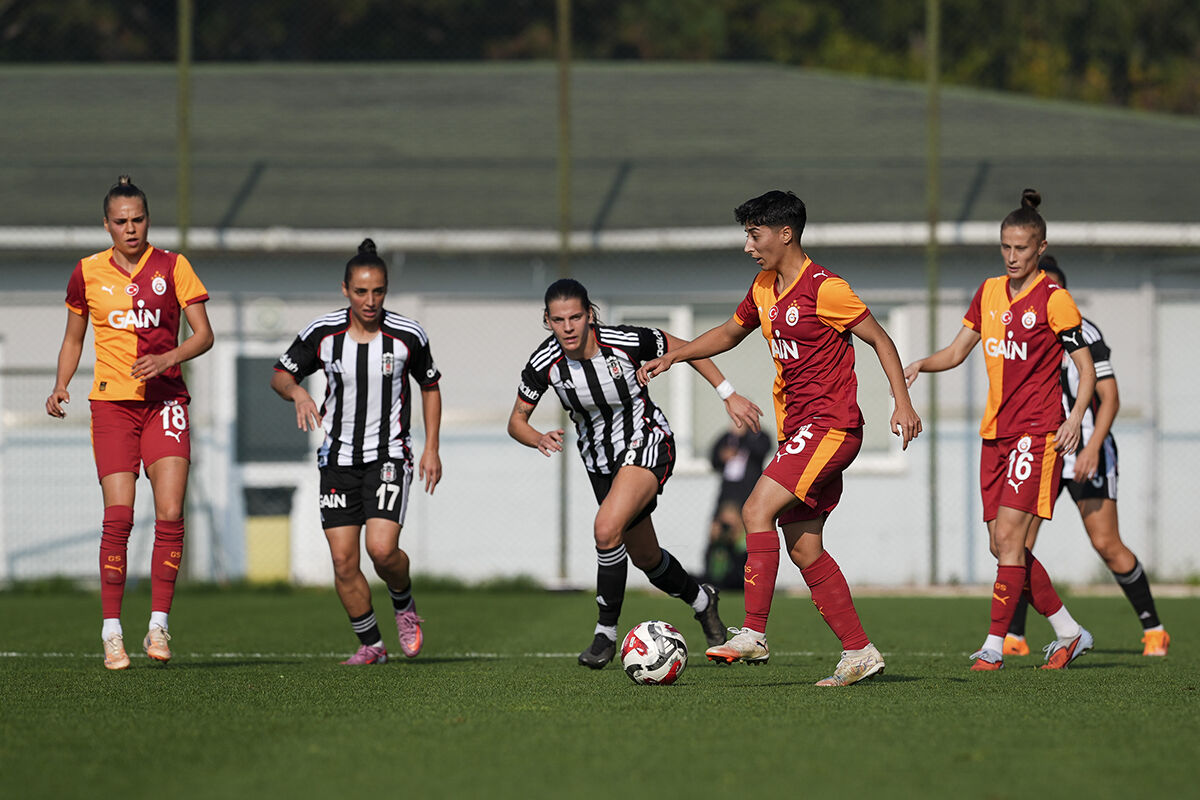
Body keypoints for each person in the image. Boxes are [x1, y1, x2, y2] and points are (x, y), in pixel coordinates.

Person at [639, 190, 921, 687]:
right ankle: (859, 651)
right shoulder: (764, 287)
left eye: (755, 234)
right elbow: (729, 332)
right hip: (802, 431)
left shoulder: (826, 288)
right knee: (804, 546)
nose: (748, 246)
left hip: (831, 427)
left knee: (754, 510)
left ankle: (753, 631)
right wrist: (674, 357)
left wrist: (901, 403)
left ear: (785, 233)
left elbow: (881, 338)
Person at [507, 278, 762, 669]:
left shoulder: (626, 341)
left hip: (648, 442)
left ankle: (604, 635)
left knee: (605, 528)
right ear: (548, 321)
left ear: (590, 314)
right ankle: (702, 601)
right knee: (646, 557)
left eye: (576, 316)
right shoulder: (545, 364)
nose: (569, 327)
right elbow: (516, 421)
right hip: (600, 463)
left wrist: (728, 393)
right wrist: (536, 437)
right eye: (558, 320)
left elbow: (687, 349)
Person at [904, 189, 1096, 671]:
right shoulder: (988, 292)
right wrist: (920, 365)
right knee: (1002, 545)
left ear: (1041, 248)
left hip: (1037, 432)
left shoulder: (1055, 300)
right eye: (1006, 247)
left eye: (1022, 249)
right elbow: (956, 352)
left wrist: (1074, 419)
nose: (1012, 257)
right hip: (994, 434)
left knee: (1011, 537)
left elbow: (1086, 369)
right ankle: (1070, 632)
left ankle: (994, 645)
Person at [45, 175, 214, 670]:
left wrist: (167, 359)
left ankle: (158, 625)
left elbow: (203, 335)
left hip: (166, 403)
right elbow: (74, 338)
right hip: (113, 407)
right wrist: (61, 384)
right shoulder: (86, 273)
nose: (130, 229)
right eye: (120, 222)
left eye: (137, 219)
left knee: (169, 511)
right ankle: (111, 632)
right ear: (106, 225)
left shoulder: (174, 266)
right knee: (118, 517)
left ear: (147, 220)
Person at [271, 239, 441, 665]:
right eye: (362, 292)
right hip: (337, 460)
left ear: (386, 290)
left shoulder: (407, 335)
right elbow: (279, 375)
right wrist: (297, 394)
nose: (371, 301)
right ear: (345, 289)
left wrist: (431, 448)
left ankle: (404, 604)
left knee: (381, 550)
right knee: (344, 561)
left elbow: (430, 386)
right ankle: (372, 645)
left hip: (388, 455)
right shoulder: (322, 333)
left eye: (379, 291)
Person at [1004, 256, 1169, 657]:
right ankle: (1014, 636)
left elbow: (1110, 398)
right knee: (1017, 541)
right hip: (1043, 449)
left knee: (1106, 543)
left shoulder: (1085, 332)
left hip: (1085, 450)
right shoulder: (1020, 328)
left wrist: (1091, 448)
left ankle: (1154, 629)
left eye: (1053, 288)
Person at [705, 425, 773, 588]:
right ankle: (712, 577)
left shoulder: (759, 436)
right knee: (716, 532)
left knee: (742, 538)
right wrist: (723, 456)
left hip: (748, 493)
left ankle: (742, 577)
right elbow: (714, 460)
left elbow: (762, 453)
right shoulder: (726, 437)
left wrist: (744, 438)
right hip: (727, 493)